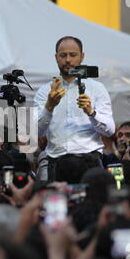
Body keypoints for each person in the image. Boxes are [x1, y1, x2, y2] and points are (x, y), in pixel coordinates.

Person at [34, 36, 115, 181]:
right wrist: (49, 107)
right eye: (63, 55)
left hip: (89, 159)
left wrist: (92, 112)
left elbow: (110, 130)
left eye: (73, 55)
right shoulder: (44, 91)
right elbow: (37, 132)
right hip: (56, 160)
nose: (68, 60)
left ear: (82, 57)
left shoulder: (97, 88)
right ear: (56, 57)